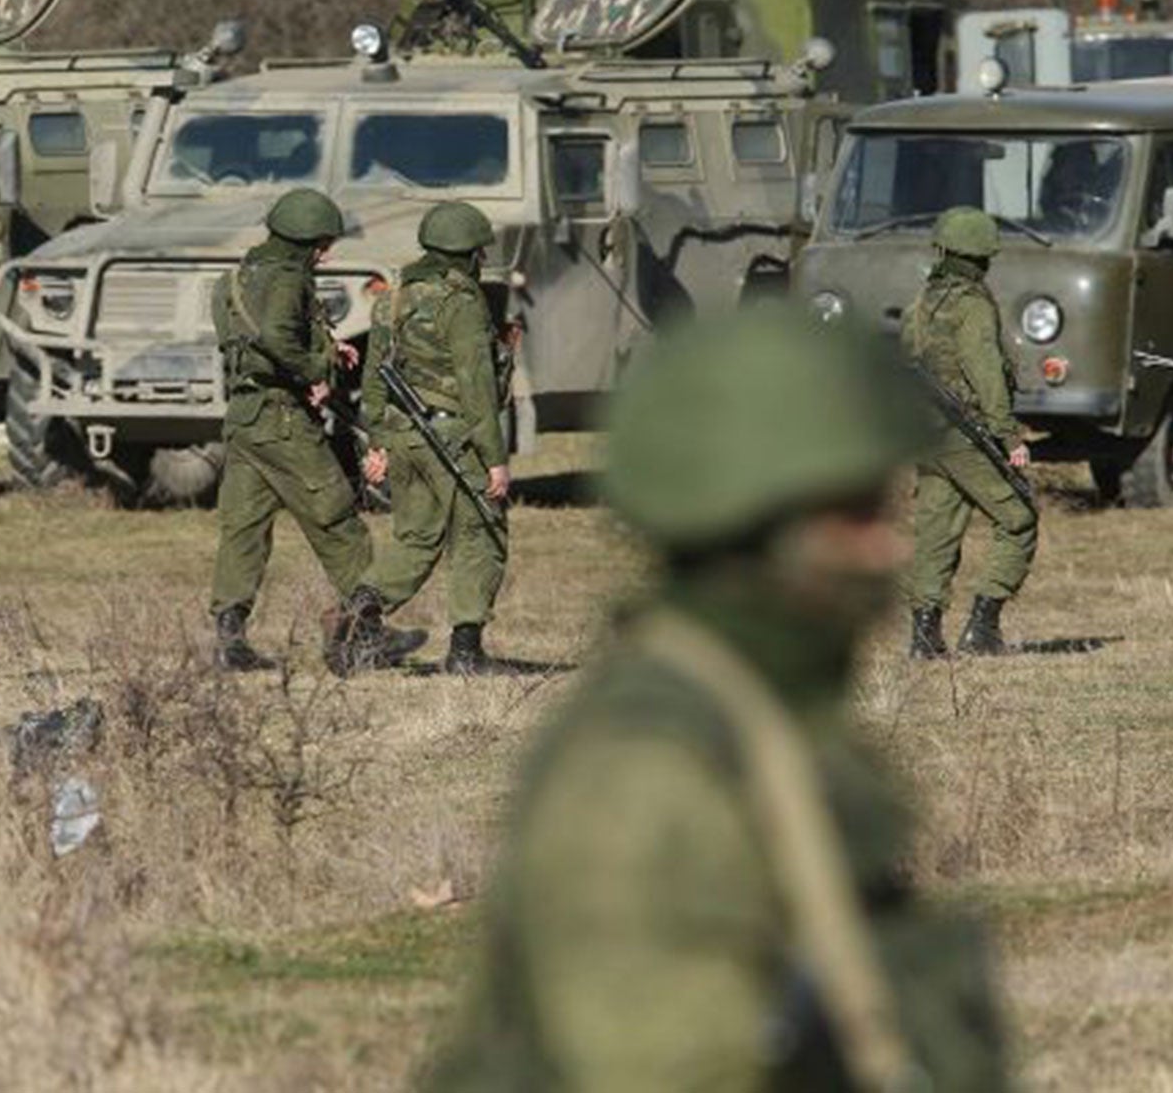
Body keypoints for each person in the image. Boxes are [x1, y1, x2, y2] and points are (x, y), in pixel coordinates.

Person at [424, 305, 1010, 1091]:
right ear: (761, 531)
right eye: (858, 516)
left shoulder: (762, 716)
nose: (892, 548)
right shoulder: (647, 777)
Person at [207, 188, 412, 671]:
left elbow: (245, 342)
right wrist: (316, 369)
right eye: (321, 244)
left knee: (244, 529)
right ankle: (365, 634)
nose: (326, 253)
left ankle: (227, 639)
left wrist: (321, 347)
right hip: (281, 420)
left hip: (244, 418)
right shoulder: (287, 279)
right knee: (338, 520)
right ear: (301, 242)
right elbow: (279, 337)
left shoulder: (237, 276)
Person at [332, 201, 509, 676]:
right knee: (479, 533)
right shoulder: (463, 302)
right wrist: (495, 459)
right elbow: (477, 386)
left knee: (415, 538)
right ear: (468, 254)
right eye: (479, 251)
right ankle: (467, 652)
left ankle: (360, 618)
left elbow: (374, 375)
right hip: (453, 435)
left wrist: (378, 442)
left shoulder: (394, 295)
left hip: (405, 435)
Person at [903, 207, 1037, 657]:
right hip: (965, 432)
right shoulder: (974, 306)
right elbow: (986, 376)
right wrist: (1011, 437)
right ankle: (983, 628)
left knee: (936, 529)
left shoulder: (923, 301)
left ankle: (924, 637)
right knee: (1019, 517)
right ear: (983, 256)